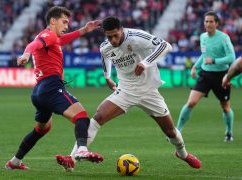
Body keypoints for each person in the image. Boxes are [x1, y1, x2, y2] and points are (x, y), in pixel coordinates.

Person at [56, 16, 201, 171]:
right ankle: (71, 160)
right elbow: (105, 58)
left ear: (121, 29)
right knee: (98, 117)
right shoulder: (105, 46)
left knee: (170, 130)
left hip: (149, 91)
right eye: (109, 36)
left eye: (115, 35)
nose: (112, 39)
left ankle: (183, 154)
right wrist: (107, 77)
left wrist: (145, 62)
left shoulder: (137, 37)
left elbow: (166, 46)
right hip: (126, 90)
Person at [5, 6, 103, 170]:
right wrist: (26, 54)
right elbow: (33, 44)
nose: (66, 26)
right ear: (53, 21)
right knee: (82, 117)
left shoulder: (52, 38)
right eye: (64, 22)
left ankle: (14, 162)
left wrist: (84, 30)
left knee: (41, 129)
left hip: (39, 91)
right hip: (51, 87)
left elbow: (63, 40)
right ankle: (82, 150)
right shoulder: (47, 35)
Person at [176, 11, 236, 142]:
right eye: (206, 21)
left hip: (221, 76)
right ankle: (177, 131)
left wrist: (214, 61)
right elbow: (204, 56)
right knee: (191, 102)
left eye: (211, 21)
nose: (208, 24)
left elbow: (232, 57)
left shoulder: (224, 38)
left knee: (225, 107)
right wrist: (195, 67)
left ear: (217, 23)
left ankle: (229, 132)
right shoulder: (203, 37)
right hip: (205, 74)